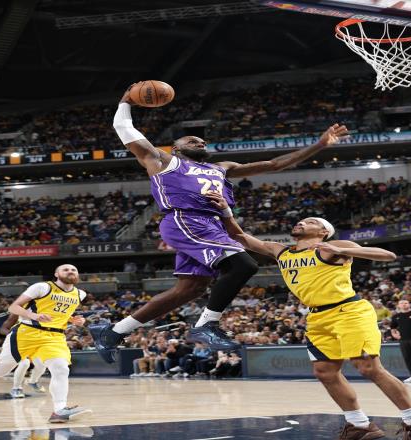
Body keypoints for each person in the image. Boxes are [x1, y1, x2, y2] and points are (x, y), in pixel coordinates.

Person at [90, 82, 349, 362]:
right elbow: (125, 129)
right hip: (185, 219)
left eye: (202, 141)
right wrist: (126, 101)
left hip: (211, 225)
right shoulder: (163, 161)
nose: (199, 143)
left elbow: (275, 164)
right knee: (244, 264)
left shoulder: (221, 168)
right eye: (192, 141)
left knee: (190, 289)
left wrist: (319, 145)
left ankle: (113, 332)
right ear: (176, 148)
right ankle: (206, 325)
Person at [206, 191, 411, 440]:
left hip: (348, 311)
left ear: (323, 232)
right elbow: (239, 236)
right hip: (317, 317)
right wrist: (225, 211)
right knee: (325, 372)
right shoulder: (282, 251)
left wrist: (338, 248)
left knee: (368, 367)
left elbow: (387, 255)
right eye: (301, 220)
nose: (302, 222)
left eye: (310, 221)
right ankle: (359, 425)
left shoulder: (334, 247)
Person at [0, 265, 92, 423]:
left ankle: (59, 410)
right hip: (27, 333)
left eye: (73, 270)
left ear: (77, 274)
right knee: (0, 371)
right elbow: (13, 307)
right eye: (65, 270)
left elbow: (60, 312)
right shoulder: (42, 287)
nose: (70, 272)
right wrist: (33, 315)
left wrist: (74, 320)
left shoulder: (80, 294)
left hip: (54, 336)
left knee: (61, 368)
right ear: (56, 274)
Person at [0, 314, 47, 398]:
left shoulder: (44, 312)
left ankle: (32, 381)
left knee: (42, 364)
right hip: (18, 343)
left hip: (33, 343)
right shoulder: (18, 313)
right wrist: (15, 334)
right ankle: (16, 388)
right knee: (25, 363)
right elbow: (3, 329)